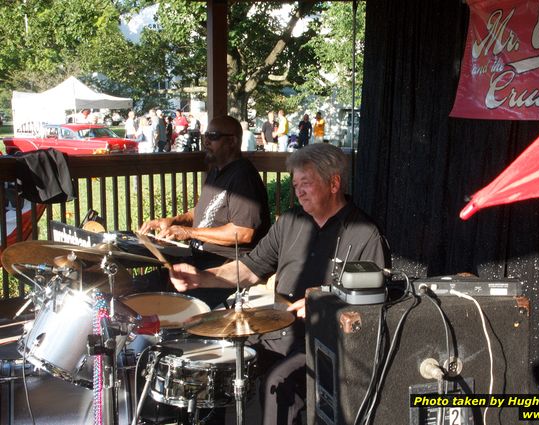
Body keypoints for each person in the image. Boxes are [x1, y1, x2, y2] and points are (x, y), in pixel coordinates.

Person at [169, 143, 390, 425]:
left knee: (278, 381)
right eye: (295, 183)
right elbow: (250, 268)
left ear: (334, 183)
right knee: (212, 360)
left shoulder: (365, 233)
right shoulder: (289, 222)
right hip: (277, 330)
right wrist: (202, 278)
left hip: (326, 343)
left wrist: (325, 303)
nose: (298, 191)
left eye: (305, 183)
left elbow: (373, 308)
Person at [139, 115, 271, 307]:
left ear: (232, 141)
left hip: (224, 268)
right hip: (199, 258)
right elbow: (204, 212)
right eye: (204, 136)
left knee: (156, 297)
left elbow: (243, 232)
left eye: (213, 136)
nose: (206, 141)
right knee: (142, 284)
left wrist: (189, 232)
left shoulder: (243, 177)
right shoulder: (217, 171)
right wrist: (175, 220)